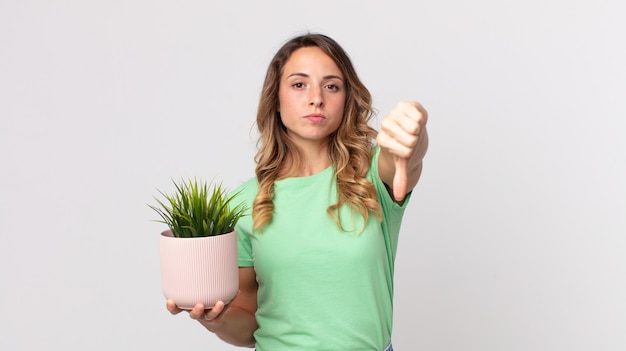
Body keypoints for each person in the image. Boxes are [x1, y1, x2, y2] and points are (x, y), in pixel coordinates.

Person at [167, 33, 428, 351]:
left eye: (331, 86)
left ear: (347, 99)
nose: (316, 98)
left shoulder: (371, 176)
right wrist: (216, 320)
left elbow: (404, 158)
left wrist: (414, 127)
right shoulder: (243, 203)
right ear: (276, 99)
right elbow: (249, 323)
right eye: (299, 84)